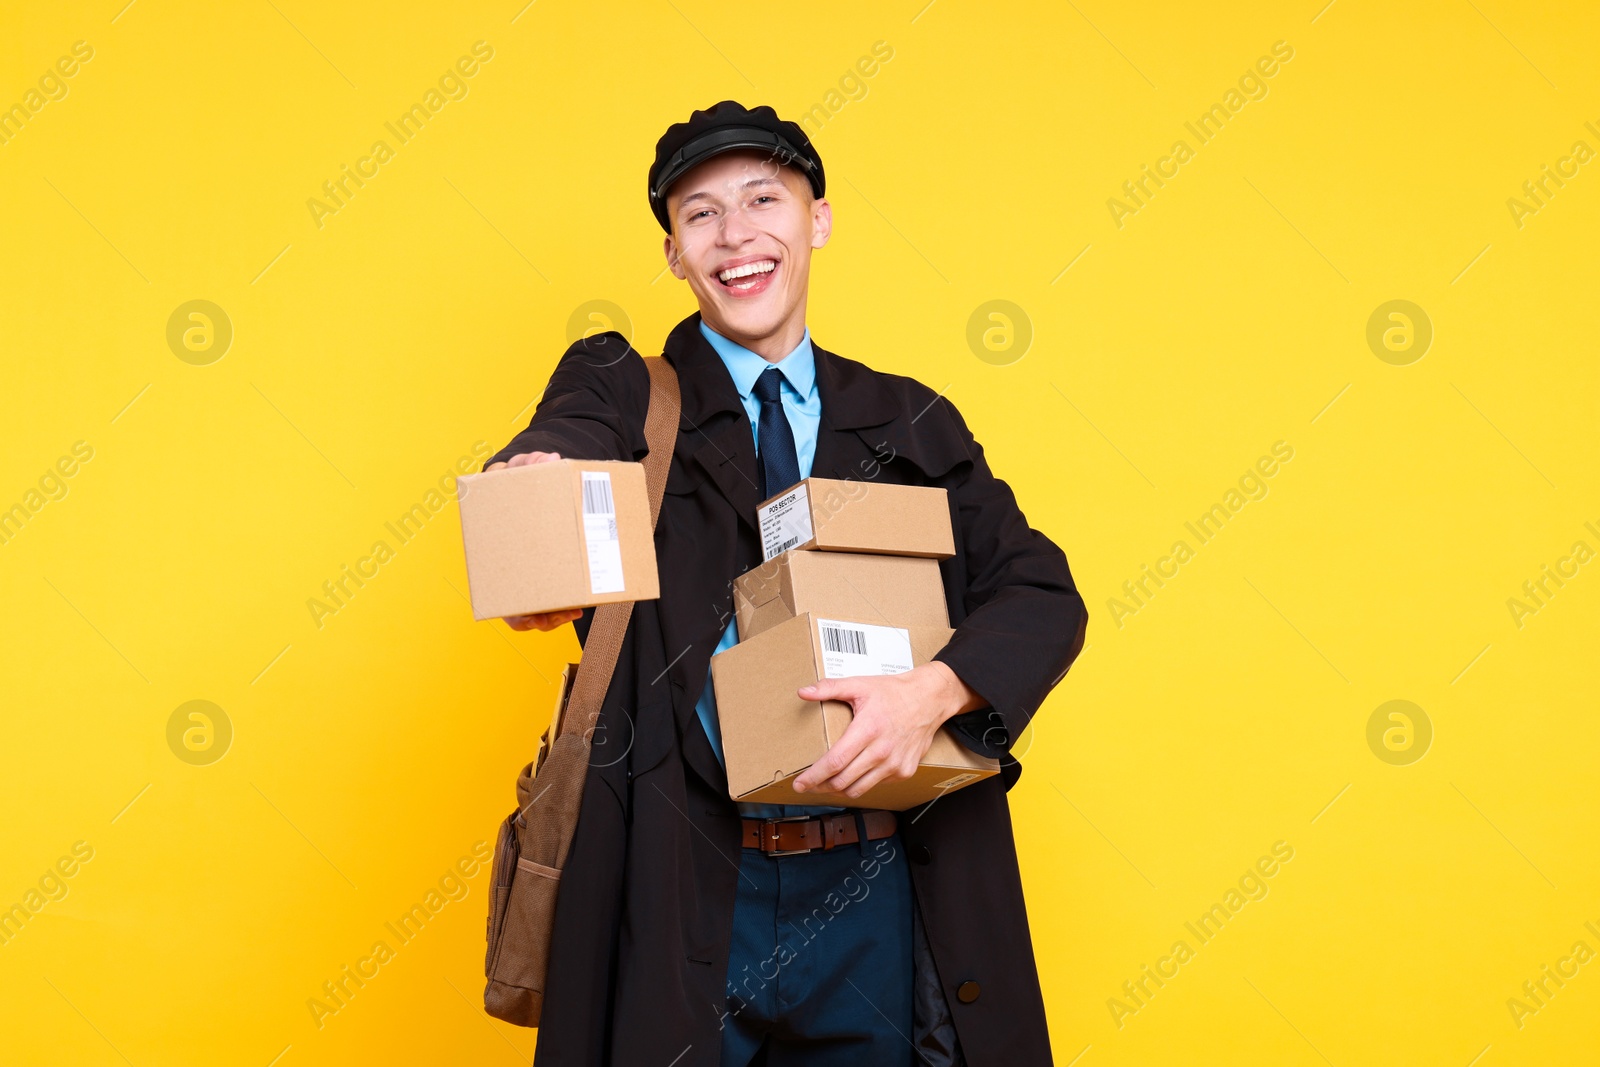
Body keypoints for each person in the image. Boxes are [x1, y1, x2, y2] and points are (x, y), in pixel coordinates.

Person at [482, 100, 1087, 1066]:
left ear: (819, 218)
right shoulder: (626, 392)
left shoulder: (909, 418)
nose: (736, 236)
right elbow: (564, 447)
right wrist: (536, 500)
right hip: (686, 881)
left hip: (877, 886)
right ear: (676, 254)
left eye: (764, 198)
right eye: (700, 215)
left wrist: (930, 696)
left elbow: (1042, 594)